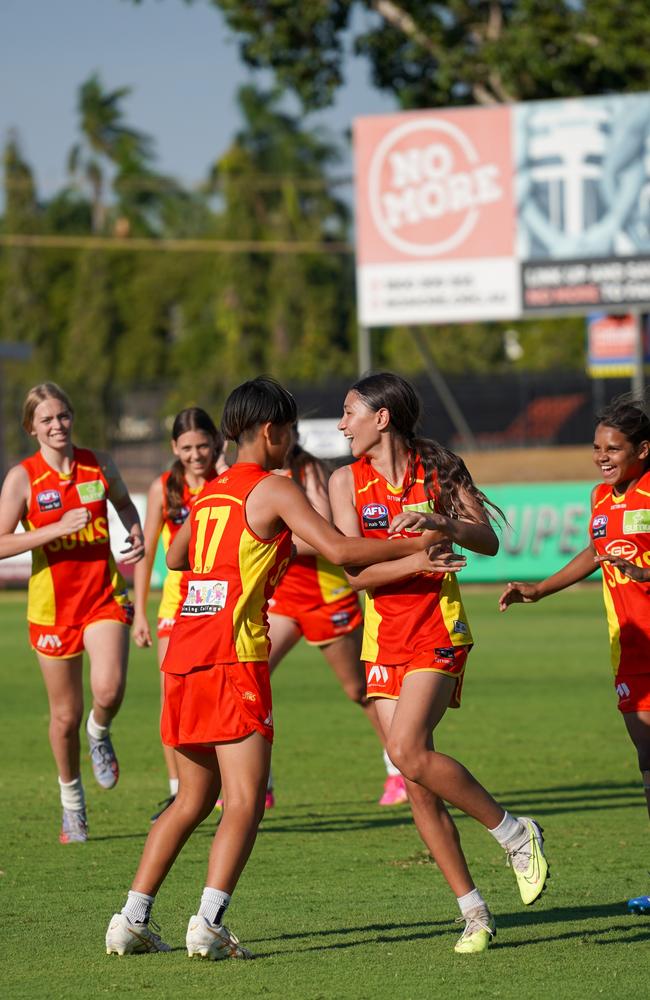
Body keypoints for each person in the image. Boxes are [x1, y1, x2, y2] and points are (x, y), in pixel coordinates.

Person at [105, 375, 445, 959]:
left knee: (190, 799)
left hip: (184, 655)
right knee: (244, 798)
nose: (293, 441)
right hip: (233, 656)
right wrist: (415, 548)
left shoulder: (211, 491)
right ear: (269, 431)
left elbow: (177, 554)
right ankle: (207, 923)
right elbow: (341, 550)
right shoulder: (275, 487)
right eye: (289, 431)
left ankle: (130, 918)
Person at [328, 372, 549, 954]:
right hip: (382, 639)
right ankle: (474, 913)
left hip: (437, 631)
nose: (341, 422)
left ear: (382, 418)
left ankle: (514, 833)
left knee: (406, 751)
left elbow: (486, 541)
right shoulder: (343, 482)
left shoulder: (440, 468)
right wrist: (417, 559)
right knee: (417, 781)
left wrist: (442, 522)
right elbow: (354, 573)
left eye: (350, 411)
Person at [499, 394, 650, 914]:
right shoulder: (600, 498)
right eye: (597, 447)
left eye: (614, 448)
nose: (602, 456)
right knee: (648, 761)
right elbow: (594, 550)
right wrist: (539, 589)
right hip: (628, 649)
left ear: (643, 450)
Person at [0, 382, 144, 844]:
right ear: (32, 428)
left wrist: (135, 532)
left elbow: (123, 504)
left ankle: (99, 733)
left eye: (63, 416)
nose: (57, 425)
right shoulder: (23, 477)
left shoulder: (98, 463)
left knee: (109, 688)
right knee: (64, 716)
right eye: (46, 420)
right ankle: (72, 806)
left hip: (102, 596)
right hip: (52, 608)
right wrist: (54, 530)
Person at [266, 426, 407, 807]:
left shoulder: (308, 470)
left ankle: (399, 770)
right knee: (252, 675)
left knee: (360, 690)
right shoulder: (258, 473)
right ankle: (257, 783)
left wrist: (271, 534)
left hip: (325, 595)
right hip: (283, 596)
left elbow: (324, 539)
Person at [132, 407, 226, 822]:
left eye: (203, 445)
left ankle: (227, 782)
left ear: (217, 443)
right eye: (187, 447)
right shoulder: (163, 488)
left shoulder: (228, 483)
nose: (195, 454)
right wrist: (139, 614)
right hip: (176, 607)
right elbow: (146, 553)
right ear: (174, 448)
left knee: (216, 695)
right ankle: (178, 792)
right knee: (173, 696)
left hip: (218, 605)